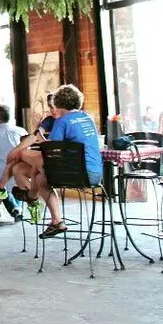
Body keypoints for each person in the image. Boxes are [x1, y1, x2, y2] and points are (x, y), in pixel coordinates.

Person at [37, 84, 102, 239]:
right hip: (96, 175)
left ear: (58, 103)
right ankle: (52, 218)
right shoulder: (88, 118)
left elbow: (51, 150)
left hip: (77, 174)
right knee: (40, 170)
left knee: (40, 178)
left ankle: (56, 220)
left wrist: (39, 138)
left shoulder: (63, 121)